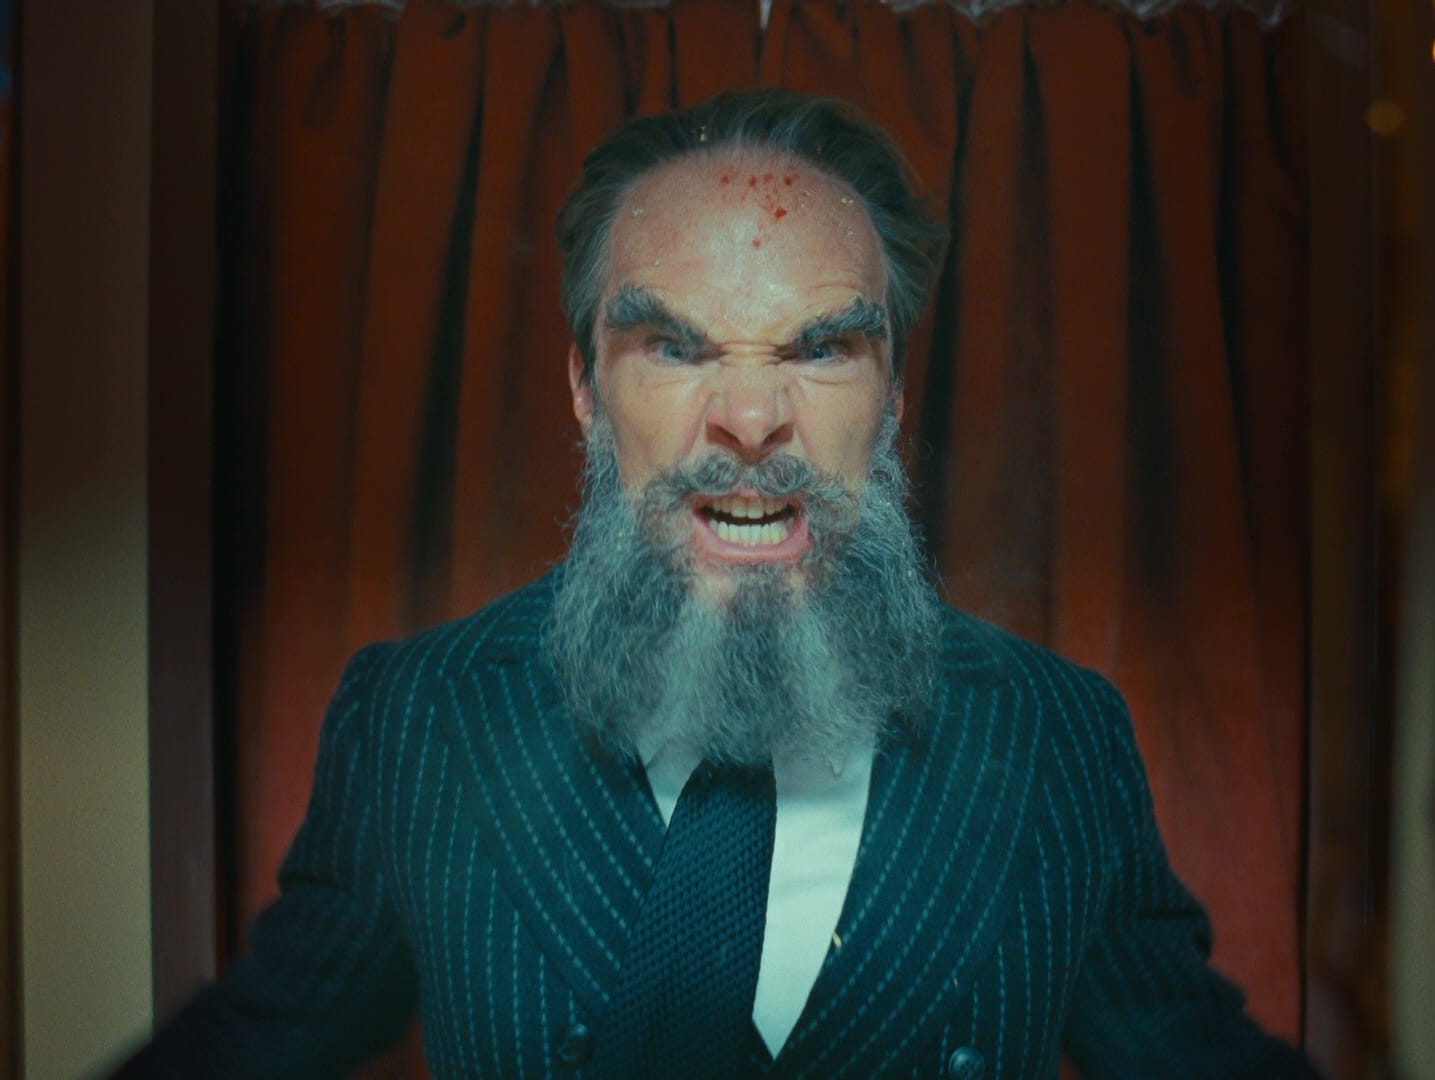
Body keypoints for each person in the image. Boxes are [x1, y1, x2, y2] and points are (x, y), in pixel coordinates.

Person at [123, 88, 1318, 1079]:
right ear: (586, 388)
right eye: (676, 345)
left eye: (823, 347)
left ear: (893, 395)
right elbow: (260, 1042)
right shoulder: (417, 721)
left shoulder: (1059, 737)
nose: (751, 418)